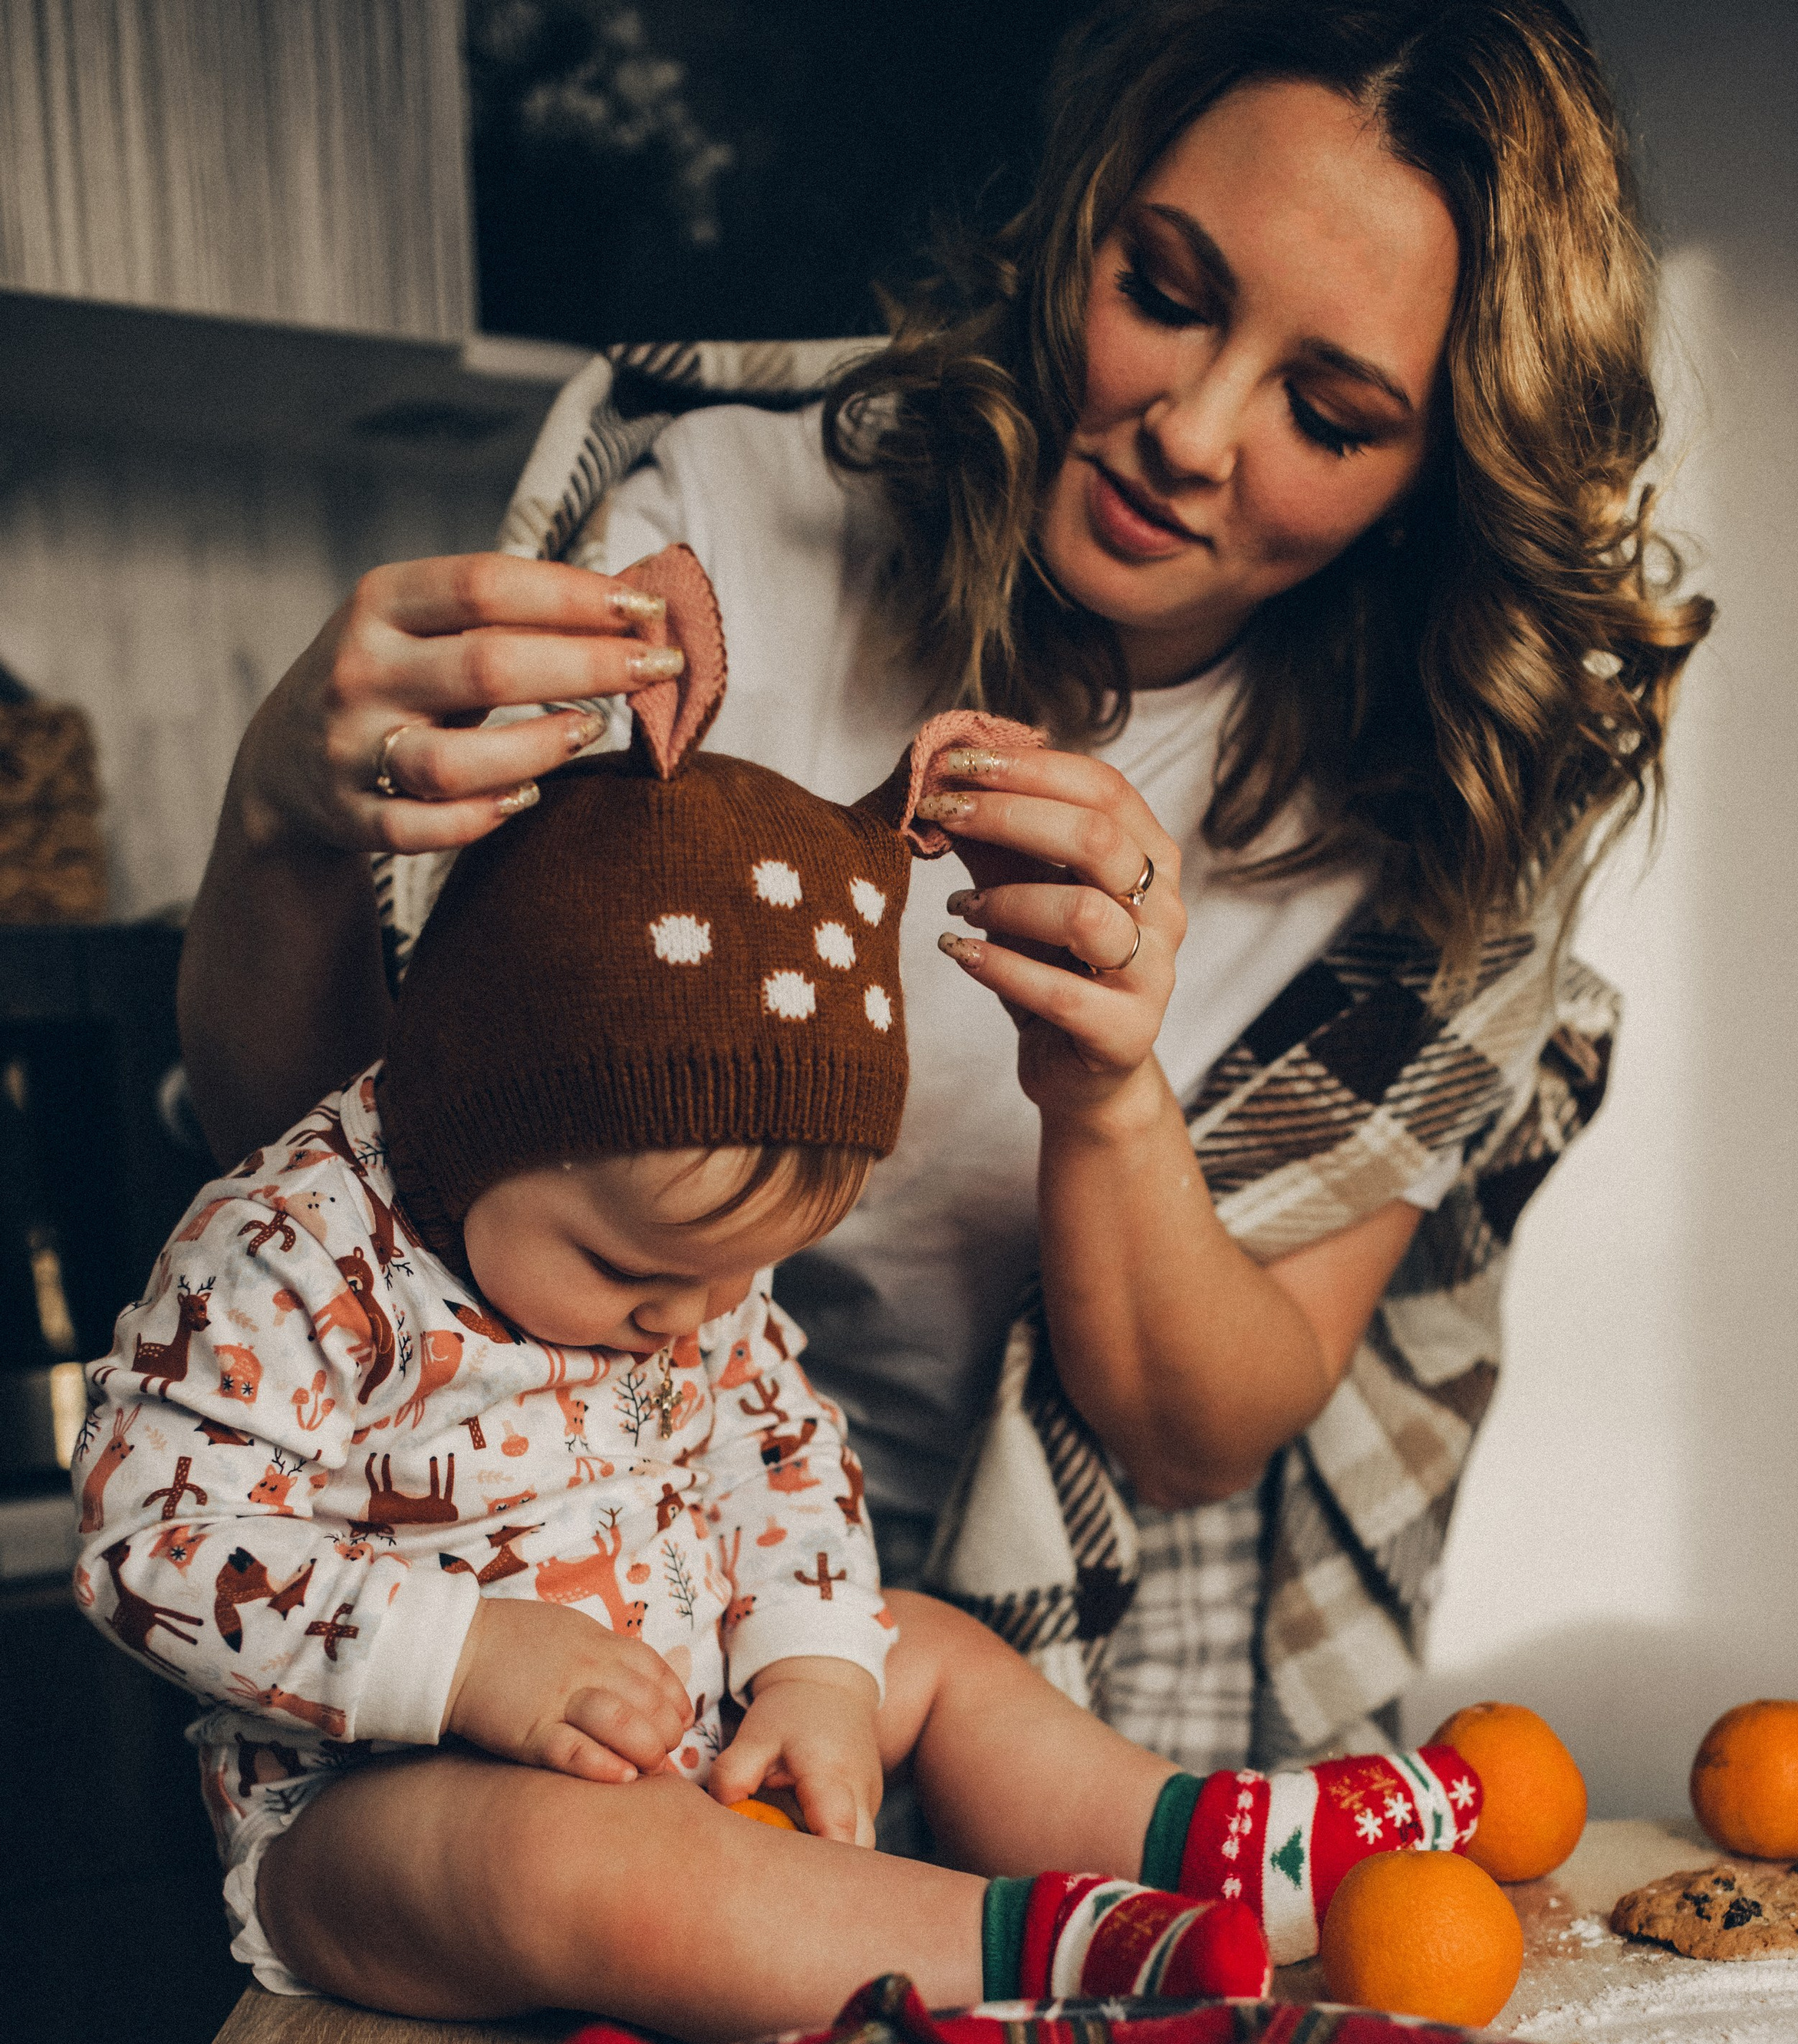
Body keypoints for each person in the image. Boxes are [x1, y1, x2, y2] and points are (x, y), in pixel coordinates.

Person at [174, 0, 1710, 1790]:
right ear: (1079, 220)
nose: (1189, 430)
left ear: (1441, 472)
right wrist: (284, 812)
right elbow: (318, 1158)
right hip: (531, 1557)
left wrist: (1110, 1098)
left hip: (1012, 1629)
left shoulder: (1432, 837)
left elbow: (1195, 1435)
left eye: (1327, 410)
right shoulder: (726, 525)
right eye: (1164, 290)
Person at [74, 593, 1481, 2039]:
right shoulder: (299, 1251)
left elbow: (783, 1462)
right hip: (379, 1804)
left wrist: (810, 1664)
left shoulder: (697, 1285)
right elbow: (150, 1539)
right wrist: (469, 1659)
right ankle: (1018, 1951)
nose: (691, 1324)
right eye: (634, 1278)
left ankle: (1206, 1846)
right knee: (573, 1867)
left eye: (738, 1278)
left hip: (689, 1717)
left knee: (922, 1649)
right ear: (463, 1114)